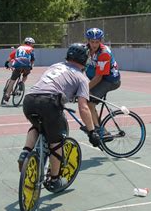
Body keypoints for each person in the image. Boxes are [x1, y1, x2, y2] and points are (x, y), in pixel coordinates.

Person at [18, 43, 101, 192]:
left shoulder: (55, 65)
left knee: (37, 126)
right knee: (57, 142)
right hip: (49, 103)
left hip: (29, 100)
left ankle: (26, 152)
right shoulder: (82, 77)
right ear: (84, 59)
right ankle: (54, 180)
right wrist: (92, 132)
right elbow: (83, 107)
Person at [84, 27, 121, 133]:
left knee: (90, 103)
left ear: (101, 41)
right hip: (99, 78)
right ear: (88, 41)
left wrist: (84, 88)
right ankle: (97, 125)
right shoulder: (85, 49)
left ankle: (99, 130)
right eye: (92, 42)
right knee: (86, 98)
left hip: (110, 81)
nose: (94, 45)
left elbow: (99, 77)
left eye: (97, 42)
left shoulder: (104, 53)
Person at [2, 37, 36, 104]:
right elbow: (32, 59)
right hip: (26, 64)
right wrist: (31, 67)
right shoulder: (31, 49)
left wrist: (6, 63)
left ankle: (7, 95)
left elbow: (11, 57)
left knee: (12, 80)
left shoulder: (19, 48)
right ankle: (22, 83)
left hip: (17, 64)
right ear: (30, 44)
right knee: (25, 74)